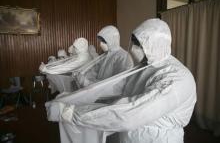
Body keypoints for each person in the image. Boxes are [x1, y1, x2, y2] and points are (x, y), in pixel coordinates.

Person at [46, 18, 197, 143]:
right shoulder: (145, 67)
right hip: (129, 136)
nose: (132, 49)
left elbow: (131, 112)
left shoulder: (176, 79)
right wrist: (76, 99)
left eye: (138, 45)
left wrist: (70, 113)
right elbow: (119, 90)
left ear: (154, 46)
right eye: (133, 43)